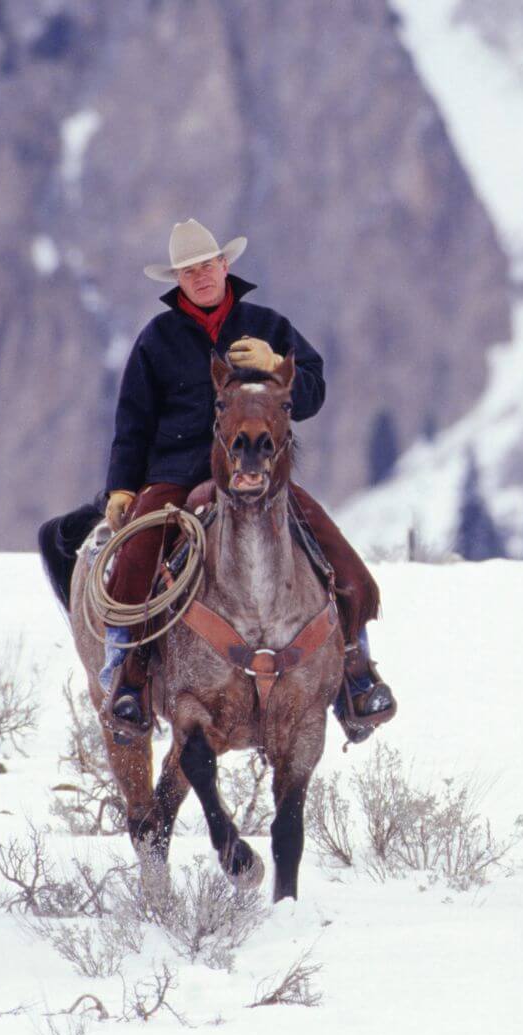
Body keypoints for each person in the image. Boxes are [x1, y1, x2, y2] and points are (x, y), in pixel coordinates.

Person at [72, 218, 395, 740]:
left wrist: (275, 364)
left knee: (336, 557)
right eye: (188, 270)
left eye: (207, 265)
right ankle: (126, 678)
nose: (200, 276)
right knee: (137, 558)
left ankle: (355, 672)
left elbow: (311, 391)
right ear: (177, 279)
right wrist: (123, 488)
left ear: (226, 266)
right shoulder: (156, 340)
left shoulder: (268, 326)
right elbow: (132, 420)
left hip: (261, 475)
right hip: (176, 473)